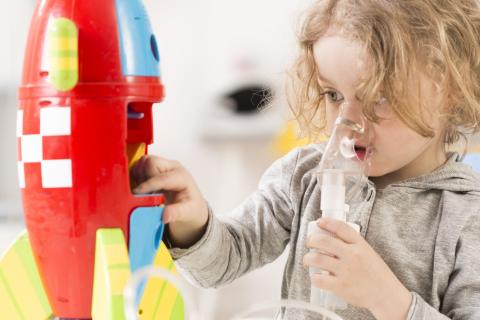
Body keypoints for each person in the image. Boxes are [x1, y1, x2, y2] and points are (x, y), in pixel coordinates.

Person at [131, 1, 480, 319]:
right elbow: (222, 262)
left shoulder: (466, 214)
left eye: (379, 97)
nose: (348, 122)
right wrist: (194, 222)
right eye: (333, 95)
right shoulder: (304, 176)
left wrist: (387, 299)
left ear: (448, 91)